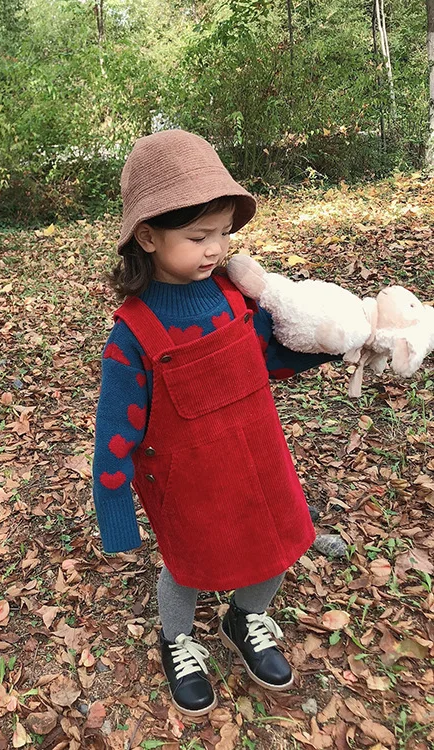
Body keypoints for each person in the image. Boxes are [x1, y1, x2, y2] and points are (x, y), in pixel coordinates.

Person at [92, 130, 336, 717]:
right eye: (198, 236)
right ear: (147, 236)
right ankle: (176, 638)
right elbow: (114, 433)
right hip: (189, 480)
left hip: (257, 458)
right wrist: (116, 516)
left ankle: (245, 617)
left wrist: (330, 345)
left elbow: (267, 356)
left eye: (224, 233)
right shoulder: (134, 334)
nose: (215, 249)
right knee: (190, 561)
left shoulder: (233, 299)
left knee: (275, 544)